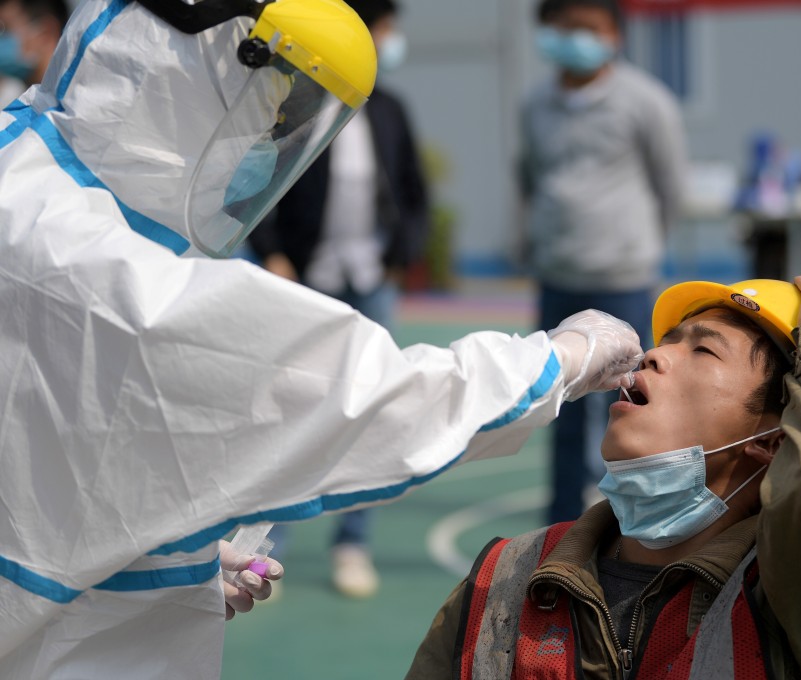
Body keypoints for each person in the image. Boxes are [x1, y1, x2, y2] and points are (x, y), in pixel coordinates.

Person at [0, 0, 643, 676]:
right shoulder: (108, 266)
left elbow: (53, 428)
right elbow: (366, 395)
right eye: (270, 106)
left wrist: (146, 553)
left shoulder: (30, 164)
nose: (261, 143)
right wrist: (562, 359)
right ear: (211, 66)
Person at [407, 276, 801, 679]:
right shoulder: (504, 579)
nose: (654, 354)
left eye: (703, 349)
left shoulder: (795, 603)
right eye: (668, 340)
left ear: (774, 440)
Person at [249, 0, 426, 600]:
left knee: (372, 407)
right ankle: (267, 545)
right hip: (307, 279)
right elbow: (256, 183)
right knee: (291, 406)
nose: (393, 40)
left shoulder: (394, 109)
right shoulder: (299, 103)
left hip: (370, 280)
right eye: (387, 30)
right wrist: (271, 250)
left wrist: (402, 257)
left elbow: (412, 191)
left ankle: (353, 542)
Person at [521, 0, 687, 524]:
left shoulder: (646, 101)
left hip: (624, 277)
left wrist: (643, 248)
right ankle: (562, 523)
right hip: (559, 274)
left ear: (615, 34)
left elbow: (671, 186)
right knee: (559, 403)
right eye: (565, 27)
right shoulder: (534, 104)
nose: (576, 38)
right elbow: (529, 177)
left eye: (589, 28)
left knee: (637, 402)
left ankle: (645, 521)